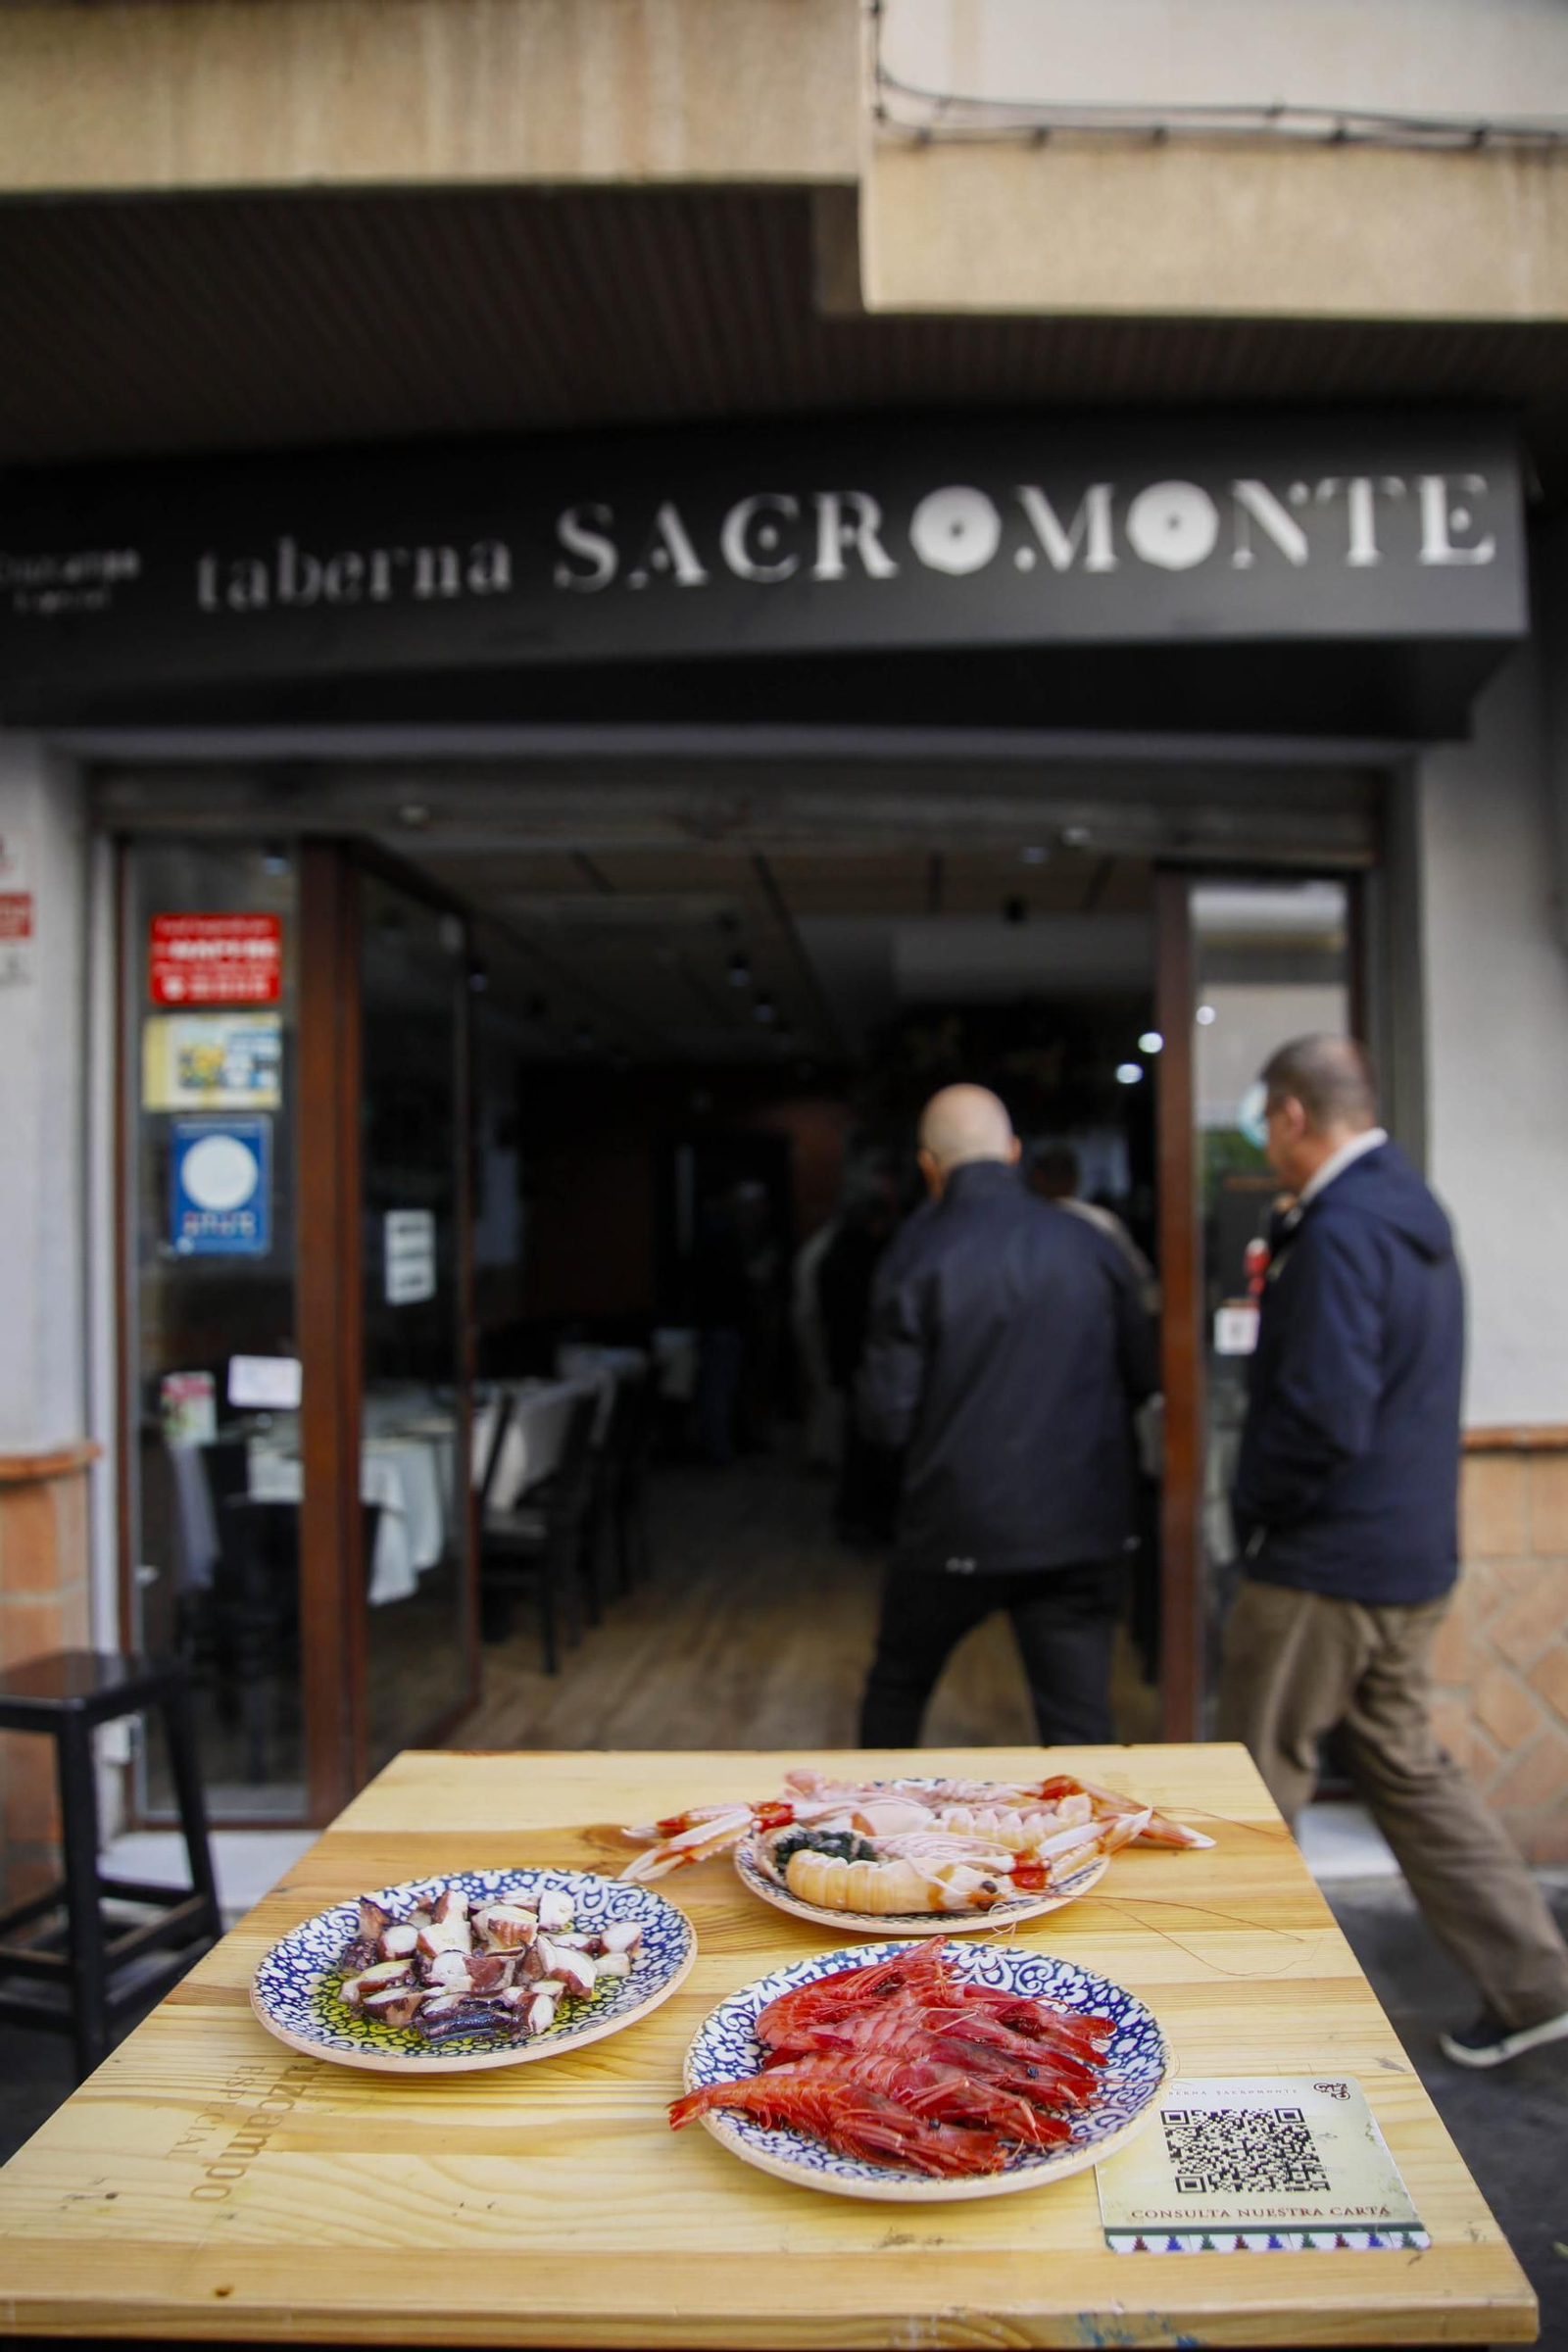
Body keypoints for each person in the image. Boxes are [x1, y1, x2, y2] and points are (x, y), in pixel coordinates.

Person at [1217, 1034, 1568, 2069]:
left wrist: (1261, 1514)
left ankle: (1231, 2021)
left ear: (1289, 1116)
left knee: (1245, 1784)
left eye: (1267, 1127)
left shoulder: (1338, 1231)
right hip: (1409, 1550)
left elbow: (1323, 1411)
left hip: (1324, 1564)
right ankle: (1535, 1982)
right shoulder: (1410, 1213)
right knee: (1406, 1768)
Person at [856, 1083, 1158, 1745]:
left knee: (897, 1691)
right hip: (1079, 1528)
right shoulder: (1090, 1245)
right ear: (1015, 1153)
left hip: (952, 1526)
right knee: (1079, 1725)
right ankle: (1086, 1849)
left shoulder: (914, 1255)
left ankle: (860, 1846)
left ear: (929, 1167)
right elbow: (1144, 1377)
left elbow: (887, 1417)